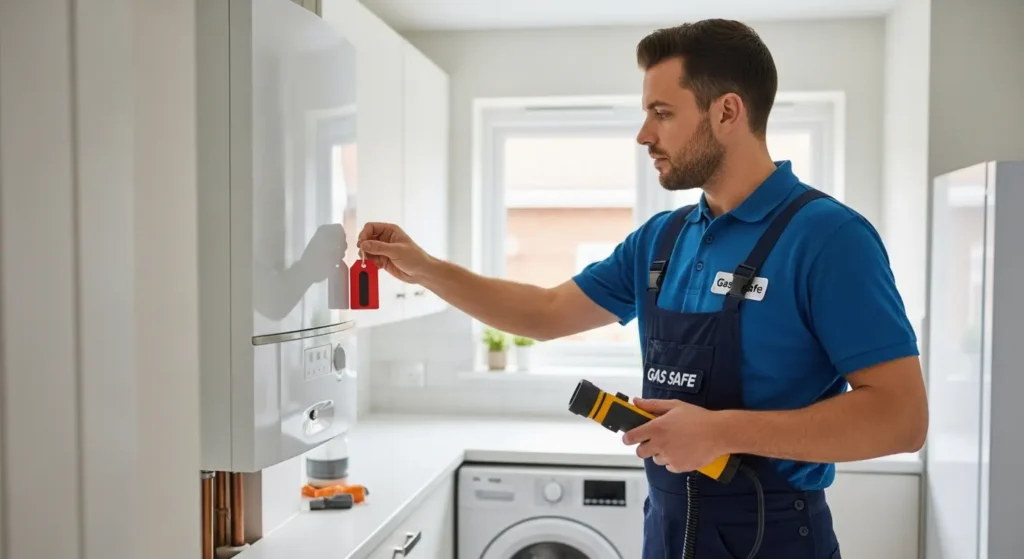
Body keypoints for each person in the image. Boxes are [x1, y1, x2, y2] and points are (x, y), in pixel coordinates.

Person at [356, 19, 928, 559]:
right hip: (668, 528)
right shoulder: (664, 239)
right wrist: (425, 268)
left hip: (774, 534)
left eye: (662, 112)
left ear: (727, 111)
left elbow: (901, 418)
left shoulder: (828, 238)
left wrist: (719, 432)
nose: (643, 134)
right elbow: (546, 311)